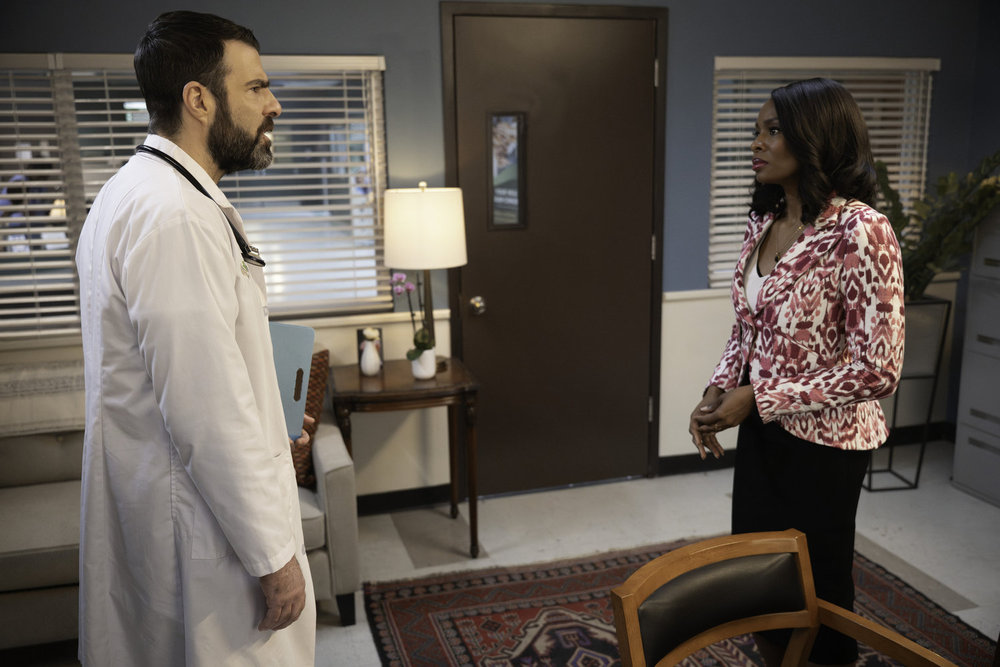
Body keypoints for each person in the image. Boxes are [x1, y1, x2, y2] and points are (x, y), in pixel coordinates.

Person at [75, 11, 315, 666]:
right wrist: (275, 559)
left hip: (176, 510)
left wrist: (273, 425)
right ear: (199, 99)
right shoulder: (174, 215)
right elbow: (203, 411)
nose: (275, 104)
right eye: (258, 87)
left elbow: (199, 374)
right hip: (206, 538)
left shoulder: (140, 194)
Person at [688, 78, 905, 666]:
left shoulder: (861, 231)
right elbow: (746, 329)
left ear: (815, 137)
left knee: (819, 588)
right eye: (755, 130)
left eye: (772, 130)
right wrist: (717, 391)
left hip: (827, 446)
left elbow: (878, 369)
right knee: (758, 577)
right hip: (764, 432)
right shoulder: (763, 224)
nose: (756, 143)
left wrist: (757, 399)